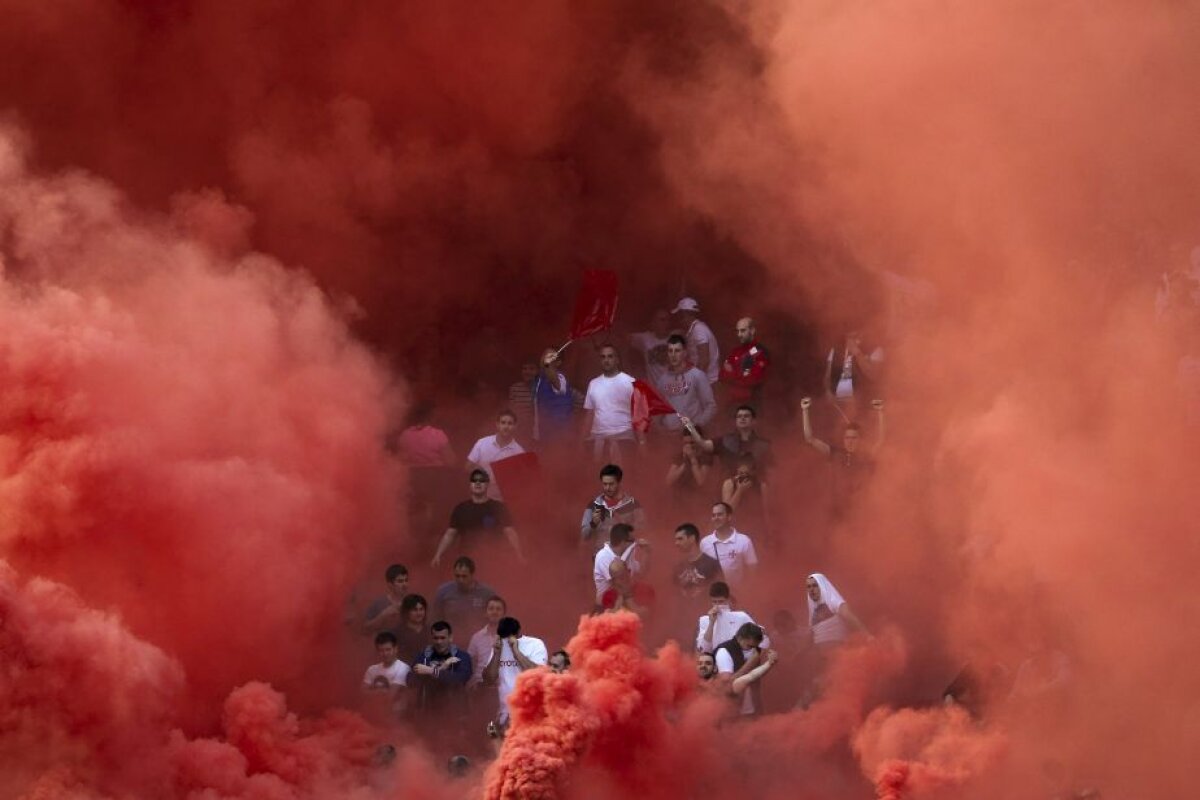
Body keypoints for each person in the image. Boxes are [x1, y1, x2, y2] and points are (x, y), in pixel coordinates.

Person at [801, 397, 885, 515]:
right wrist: (805, 411)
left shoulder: (864, 456)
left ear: (860, 440)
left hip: (860, 511)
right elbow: (809, 438)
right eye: (847, 438)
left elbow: (880, 441)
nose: (850, 441)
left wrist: (880, 412)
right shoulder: (836, 453)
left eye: (854, 438)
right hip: (837, 511)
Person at [431, 470, 524, 566]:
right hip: (467, 560)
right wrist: (438, 554)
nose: (478, 482)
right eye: (474, 480)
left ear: (487, 484)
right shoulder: (461, 508)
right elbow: (450, 534)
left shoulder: (498, 507)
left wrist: (519, 554)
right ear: (470, 484)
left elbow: (510, 532)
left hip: (493, 559)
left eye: (481, 480)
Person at [483, 616, 548, 727]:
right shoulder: (499, 645)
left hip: (531, 713)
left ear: (518, 632)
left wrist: (516, 651)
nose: (506, 640)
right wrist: (496, 654)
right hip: (505, 713)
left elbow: (538, 675)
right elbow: (489, 680)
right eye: (504, 637)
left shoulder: (535, 644)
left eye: (510, 637)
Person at [581, 344, 642, 463]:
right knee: (599, 478)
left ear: (617, 359)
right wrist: (582, 440)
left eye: (610, 356)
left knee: (624, 477)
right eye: (603, 357)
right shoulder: (593, 383)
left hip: (624, 439)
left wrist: (642, 442)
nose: (606, 360)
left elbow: (639, 415)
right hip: (598, 439)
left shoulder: (630, 382)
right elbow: (589, 415)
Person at [682, 404, 773, 478]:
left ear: (754, 421)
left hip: (753, 489)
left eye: (746, 416)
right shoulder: (725, 441)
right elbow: (704, 444)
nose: (742, 418)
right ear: (736, 421)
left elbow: (771, 472)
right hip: (727, 490)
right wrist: (690, 427)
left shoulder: (764, 445)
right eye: (739, 416)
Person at [654, 334, 716, 433]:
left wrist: (698, 426)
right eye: (670, 351)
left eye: (677, 351)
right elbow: (658, 409)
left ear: (685, 353)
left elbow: (710, 406)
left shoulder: (697, 375)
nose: (673, 355)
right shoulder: (663, 380)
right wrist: (660, 429)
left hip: (691, 434)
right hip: (670, 435)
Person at [410, 621, 473, 716]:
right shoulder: (423, 656)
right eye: (436, 638)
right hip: (428, 711)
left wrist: (431, 671)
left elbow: (460, 678)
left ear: (450, 638)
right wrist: (442, 668)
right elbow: (411, 680)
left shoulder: (462, 656)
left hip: (455, 712)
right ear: (431, 638)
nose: (439, 642)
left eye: (443, 638)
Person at [580, 464, 648, 551]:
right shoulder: (593, 505)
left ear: (619, 483)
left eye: (611, 484)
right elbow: (584, 536)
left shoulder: (633, 505)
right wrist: (593, 524)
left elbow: (643, 531)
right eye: (605, 484)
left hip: (625, 556)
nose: (607, 488)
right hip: (601, 555)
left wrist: (623, 527)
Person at [465, 411, 526, 501]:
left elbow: (522, 481)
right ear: (497, 425)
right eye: (503, 423)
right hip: (480, 498)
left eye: (510, 423)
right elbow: (467, 467)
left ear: (515, 427)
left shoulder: (519, 452)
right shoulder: (482, 443)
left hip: (505, 502)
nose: (506, 427)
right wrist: (478, 470)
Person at [715, 622, 773, 716]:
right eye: (749, 646)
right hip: (731, 712)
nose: (753, 649)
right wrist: (752, 662)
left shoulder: (755, 650)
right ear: (740, 638)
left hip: (753, 709)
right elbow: (728, 685)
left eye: (755, 646)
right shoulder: (724, 651)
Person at [696, 580, 770, 653]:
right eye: (714, 602)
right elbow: (704, 649)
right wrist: (711, 623)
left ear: (728, 600)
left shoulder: (741, 616)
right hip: (714, 661)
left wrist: (753, 658)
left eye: (721, 601)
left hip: (739, 661)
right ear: (710, 601)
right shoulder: (704, 620)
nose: (717, 605)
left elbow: (763, 640)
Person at [433, 557, 498, 639]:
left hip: (479, 642)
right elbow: (436, 619)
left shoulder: (486, 593)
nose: (460, 580)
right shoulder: (443, 592)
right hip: (451, 641)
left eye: (464, 576)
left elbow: (496, 617)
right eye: (457, 576)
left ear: (472, 575)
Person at [698, 502, 759, 590]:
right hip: (712, 596)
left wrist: (747, 591)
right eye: (713, 515)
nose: (716, 518)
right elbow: (701, 572)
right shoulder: (705, 542)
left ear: (729, 517)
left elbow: (752, 570)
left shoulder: (744, 541)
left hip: (738, 593)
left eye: (720, 515)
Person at [825, 330, 884, 415]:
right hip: (839, 405)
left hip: (862, 406)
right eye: (848, 336)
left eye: (855, 336)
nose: (851, 339)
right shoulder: (836, 349)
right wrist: (828, 391)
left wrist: (857, 352)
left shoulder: (875, 349)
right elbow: (827, 375)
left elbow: (873, 375)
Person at [719, 317, 770, 412]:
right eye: (737, 331)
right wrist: (741, 373)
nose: (739, 335)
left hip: (752, 406)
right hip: (732, 406)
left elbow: (752, 380)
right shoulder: (735, 351)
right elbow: (722, 376)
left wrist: (732, 372)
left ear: (752, 331)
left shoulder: (760, 351)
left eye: (742, 331)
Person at [592, 523, 650, 605]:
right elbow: (619, 586)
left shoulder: (628, 554)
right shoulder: (603, 556)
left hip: (625, 601)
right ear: (623, 542)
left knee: (647, 591)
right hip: (608, 605)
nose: (636, 543)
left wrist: (647, 552)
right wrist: (637, 609)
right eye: (633, 541)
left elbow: (642, 573)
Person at [805, 573, 870, 647]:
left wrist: (868, 637)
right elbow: (810, 634)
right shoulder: (813, 610)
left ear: (822, 586)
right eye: (809, 587)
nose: (811, 590)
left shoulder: (833, 601)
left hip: (836, 650)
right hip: (819, 652)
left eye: (815, 585)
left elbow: (849, 617)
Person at [719, 454, 772, 545]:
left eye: (746, 474)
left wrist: (769, 534)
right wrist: (739, 491)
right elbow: (726, 513)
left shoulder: (761, 486)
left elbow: (766, 513)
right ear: (737, 471)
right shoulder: (729, 484)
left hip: (755, 531)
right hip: (733, 530)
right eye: (741, 473)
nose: (743, 477)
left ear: (753, 473)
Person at [532, 347, 577, 446]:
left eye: (550, 357)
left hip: (558, 436)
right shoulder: (539, 380)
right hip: (542, 435)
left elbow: (556, 382)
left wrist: (548, 364)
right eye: (544, 355)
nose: (545, 358)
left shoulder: (560, 378)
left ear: (558, 362)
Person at [362, 631, 411, 718]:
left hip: (396, 717)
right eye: (381, 650)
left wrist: (372, 694)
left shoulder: (403, 669)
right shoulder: (372, 669)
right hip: (373, 714)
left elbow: (390, 696)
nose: (385, 654)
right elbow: (361, 694)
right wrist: (380, 692)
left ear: (396, 649)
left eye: (388, 650)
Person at [671, 297, 720, 384]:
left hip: (708, 382)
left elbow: (704, 360)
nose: (678, 318)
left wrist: (694, 383)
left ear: (685, 314)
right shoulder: (694, 329)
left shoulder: (699, 330)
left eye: (679, 315)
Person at [665, 427, 713, 515]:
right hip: (680, 498)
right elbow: (669, 481)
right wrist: (684, 463)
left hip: (699, 498)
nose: (689, 446)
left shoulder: (706, 457)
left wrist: (692, 459)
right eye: (686, 443)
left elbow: (701, 481)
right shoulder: (680, 457)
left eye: (692, 443)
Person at [671, 523, 724, 601]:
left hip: (705, 611)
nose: (676, 543)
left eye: (680, 539)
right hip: (682, 612)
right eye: (676, 540)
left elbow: (722, 593)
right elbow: (673, 594)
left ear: (692, 538)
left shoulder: (712, 564)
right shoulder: (678, 567)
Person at [467, 595, 508, 688]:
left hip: (503, 686)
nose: (494, 612)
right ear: (485, 613)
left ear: (504, 614)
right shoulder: (476, 637)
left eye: (498, 609)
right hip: (480, 686)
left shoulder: (511, 638)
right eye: (491, 609)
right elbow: (470, 663)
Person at [361, 564, 411, 635]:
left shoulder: (413, 602)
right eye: (400, 581)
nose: (404, 584)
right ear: (390, 585)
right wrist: (383, 616)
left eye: (406, 580)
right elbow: (365, 629)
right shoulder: (379, 603)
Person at [628, 309, 673, 387]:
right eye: (662, 320)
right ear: (654, 322)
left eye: (668, 320)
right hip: (655, 393)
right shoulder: (645, 339)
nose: (666, 323)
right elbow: (624, 337)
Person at [395, 594, 430, 664]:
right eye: (415, 610)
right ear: (406, 612)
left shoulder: (431, 631)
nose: (419, 613)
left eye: (421, 609)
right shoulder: (396, 633)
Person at [508, 361, 539, 438]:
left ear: (538, 371)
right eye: (524, 369)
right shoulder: (514, 388)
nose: (527, 372)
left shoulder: (542, 389)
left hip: (539, 432)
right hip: (519, 432)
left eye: (531, 369)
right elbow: (511, 413)